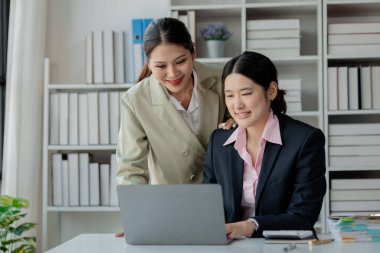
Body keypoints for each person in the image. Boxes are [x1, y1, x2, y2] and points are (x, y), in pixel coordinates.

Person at [203, 51, 326, 239]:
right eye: (229, 96)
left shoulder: (305, 140)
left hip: (284, 246)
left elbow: (303, 217)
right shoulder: (219, 142)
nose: (237, 105)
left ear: (271, 91)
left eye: (246, 93)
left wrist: (250, 226)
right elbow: (208, 207)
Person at [116, 17, 233, 186]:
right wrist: (138, 209)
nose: (172, 74)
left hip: (223, 195)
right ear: (148, 64)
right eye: (161, 66)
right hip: (168, 200)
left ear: (193, 51)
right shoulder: (134, 100)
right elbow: (131, 170)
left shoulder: (224, 80)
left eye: (180, 62)